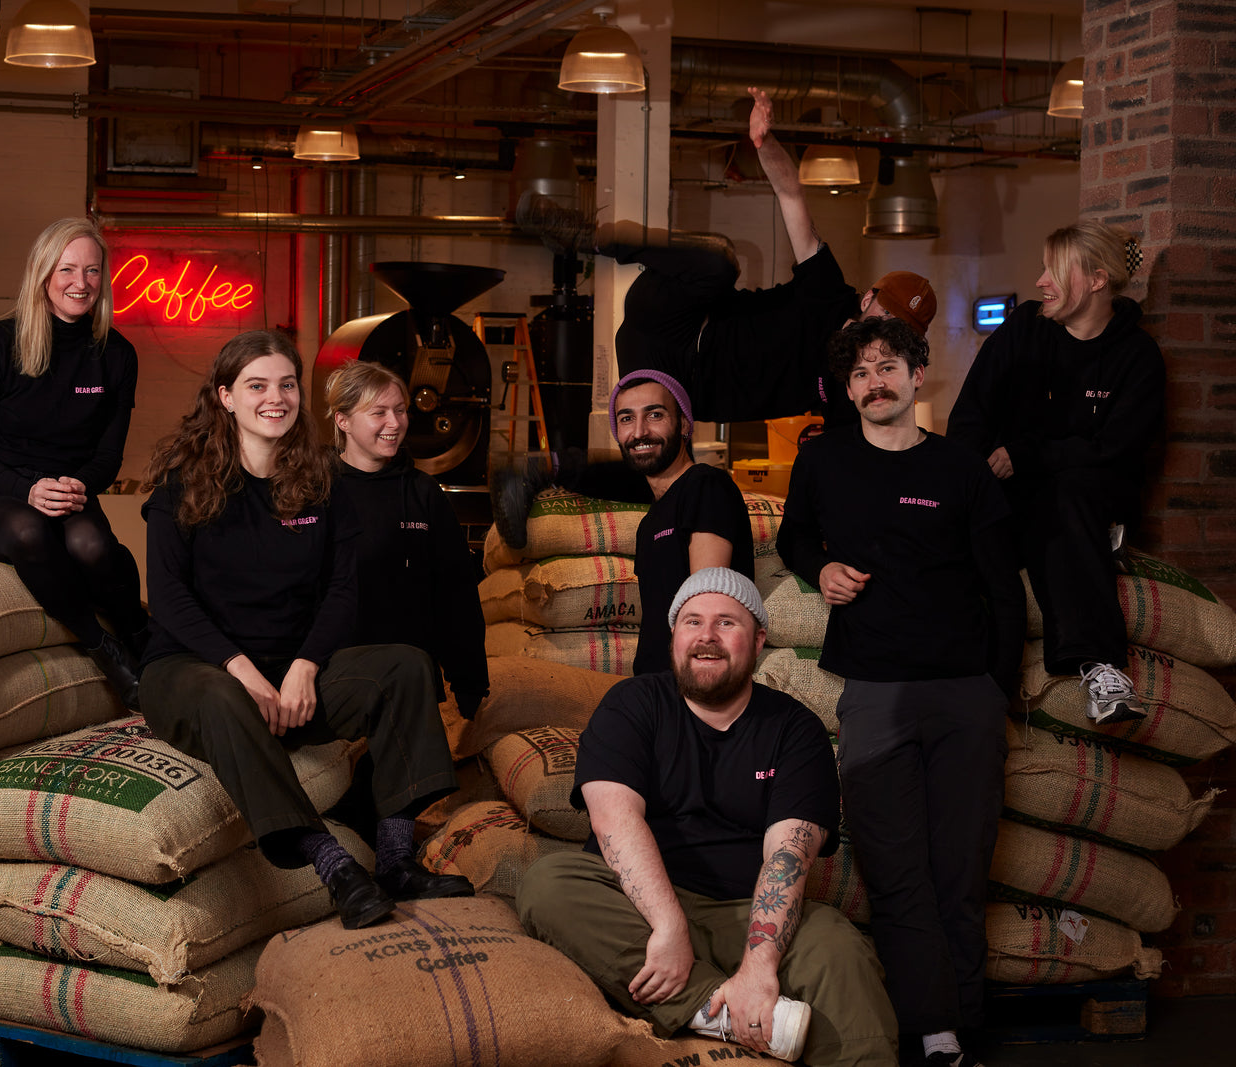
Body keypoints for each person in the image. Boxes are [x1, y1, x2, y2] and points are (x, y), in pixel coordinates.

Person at [135, 330, 472, 931]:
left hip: (289, 668)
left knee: (405, 665)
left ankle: (397, 859)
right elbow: (170, 600)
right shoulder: (181, 485)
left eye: (287, 384)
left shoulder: (319, 483)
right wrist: (242, 671)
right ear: (226, 397)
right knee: (220, 694)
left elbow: (342, 591)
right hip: (193, 670)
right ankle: (334, 864)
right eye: (257, 385)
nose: (276, 397)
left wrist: (305, 666)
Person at [499, 86, 936, 549]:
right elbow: (791, 196)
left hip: (680, 385)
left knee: (669, 475)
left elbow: (853, 459)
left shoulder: (858, 390)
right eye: (885, 313)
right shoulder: (828, 291)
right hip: (677, 317)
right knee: (719, 261)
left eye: (897, 330)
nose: (884, 329)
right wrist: (766, 144)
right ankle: (587, 236)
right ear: (868, 299)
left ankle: (536, 473)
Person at [516, 569, 897, 1067]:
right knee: (549, 883)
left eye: (726, 623)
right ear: (674, 636)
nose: (707, 636)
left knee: (839, 948)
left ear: (758, 640)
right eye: (692, 621)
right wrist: (668, 926)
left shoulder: (795, 729)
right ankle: (721, 1011)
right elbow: (614, 820)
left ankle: (739, 1008)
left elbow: (788, 855)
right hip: (636, 909)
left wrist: (759, 966)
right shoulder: (632, 704)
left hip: (747, 912)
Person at [778, 317, 1025, 1067]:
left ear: (918, 376)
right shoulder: (822, 460)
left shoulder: (961, 470)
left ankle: (963, 1020)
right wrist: (819, 568)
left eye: (887, 366)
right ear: (848, 389)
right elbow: (795, 536)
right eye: (860, 373)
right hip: (874, 692)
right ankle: (933, 1027)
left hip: (963, 694)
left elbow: (1002, 588)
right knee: (894, 866)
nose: (873, 382)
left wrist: (997, 691)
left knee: (960, 865)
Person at [948, 221, 1165, 726]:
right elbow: (970, 416)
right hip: (1009, 495)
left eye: (1054, 270)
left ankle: (1103, 667)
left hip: (1085, 497)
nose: (1041, 281)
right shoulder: (1024, 328)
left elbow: (1115, 449)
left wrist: (1027, 454)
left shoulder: (1137, 356)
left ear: (1098, 279)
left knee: (1066, 494)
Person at [0, 217, 149, 706]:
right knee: (29, 530)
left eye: (92, 271)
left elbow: (108, 456)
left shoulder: (117, 355)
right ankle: (103, 649)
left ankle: (143, 636)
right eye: (67, 269)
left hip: (69, 491)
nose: (82, 283)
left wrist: (79, 486)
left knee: (93, 548)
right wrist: (27, 490)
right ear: (43, 273)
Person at [323, 360, 488, 718]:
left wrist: (469, 681)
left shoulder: (422, 493)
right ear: (343, 420)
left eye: (400, 410)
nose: (395, 423)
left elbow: (456, 593)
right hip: (333, 682)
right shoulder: (315, 490)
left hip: (410, 686)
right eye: (379, 412)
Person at [603, 369, 754, 675]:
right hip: (652, 680)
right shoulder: (650, 521)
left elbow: (708, 606)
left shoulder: (705, 486)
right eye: (626, 418)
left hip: (692, 681)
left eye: (655, 415)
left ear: (684, 423)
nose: (639, 432)